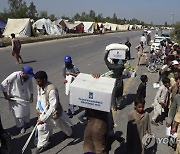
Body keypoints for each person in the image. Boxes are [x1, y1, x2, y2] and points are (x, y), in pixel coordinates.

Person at [34, 71, 73, 153]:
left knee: (62, 126)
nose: (37, 83)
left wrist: (43, 119)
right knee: (41, 128)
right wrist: (37, 108)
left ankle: (69, 133)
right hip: (43, 112)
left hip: (53, 114)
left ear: (44, 79)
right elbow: (39, 97)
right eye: (36, 81)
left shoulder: (52, 90)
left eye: (38, 81)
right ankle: (42, 145)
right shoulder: (39, 86)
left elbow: (53, 107)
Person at [1, 66, 34, 134]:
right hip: (15, 98)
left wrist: (31, 95)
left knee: (27, 112)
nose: (28, 77)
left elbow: (31, 85)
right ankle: (21, 126)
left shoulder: (28, 77)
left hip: (25, 97)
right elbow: (3, 84)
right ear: (23, 73)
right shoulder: (14, 75)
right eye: (27, 75)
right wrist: (6, 95)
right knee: (19, 114)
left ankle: (27, 123)